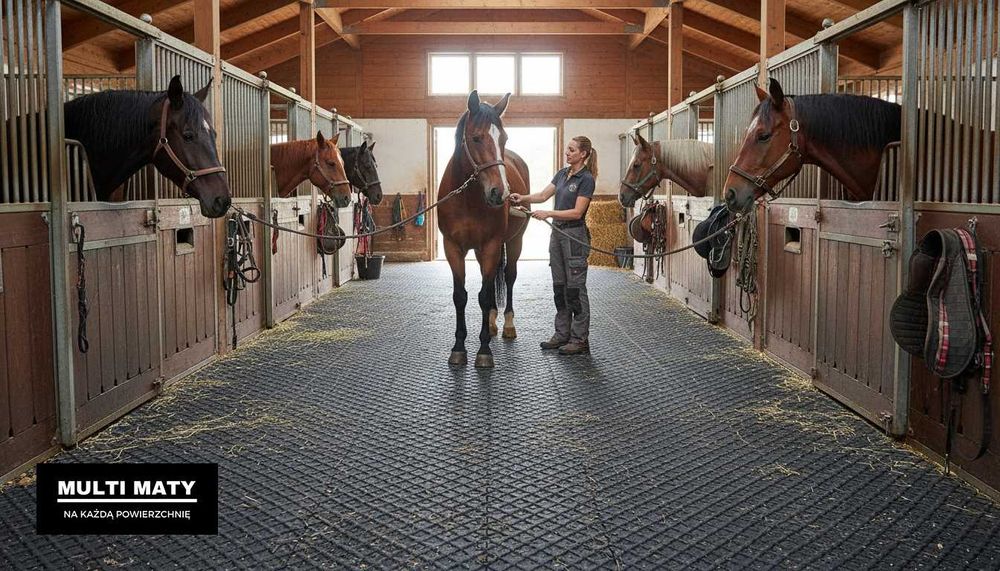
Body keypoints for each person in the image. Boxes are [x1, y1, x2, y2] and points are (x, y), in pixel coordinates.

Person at [509, 136, 597, 355]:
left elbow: (577, 212)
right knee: (560, 286)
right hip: (557, 235)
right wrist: (522, 198)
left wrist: (548, 212)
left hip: (574, 235)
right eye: (567, 149)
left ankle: (579, 339)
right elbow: (542, 195)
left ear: (583, 154)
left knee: (575, 288)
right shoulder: (561, 174)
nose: (567, 153)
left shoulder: (586, 179)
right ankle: (561, 334)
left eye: (571, 150)